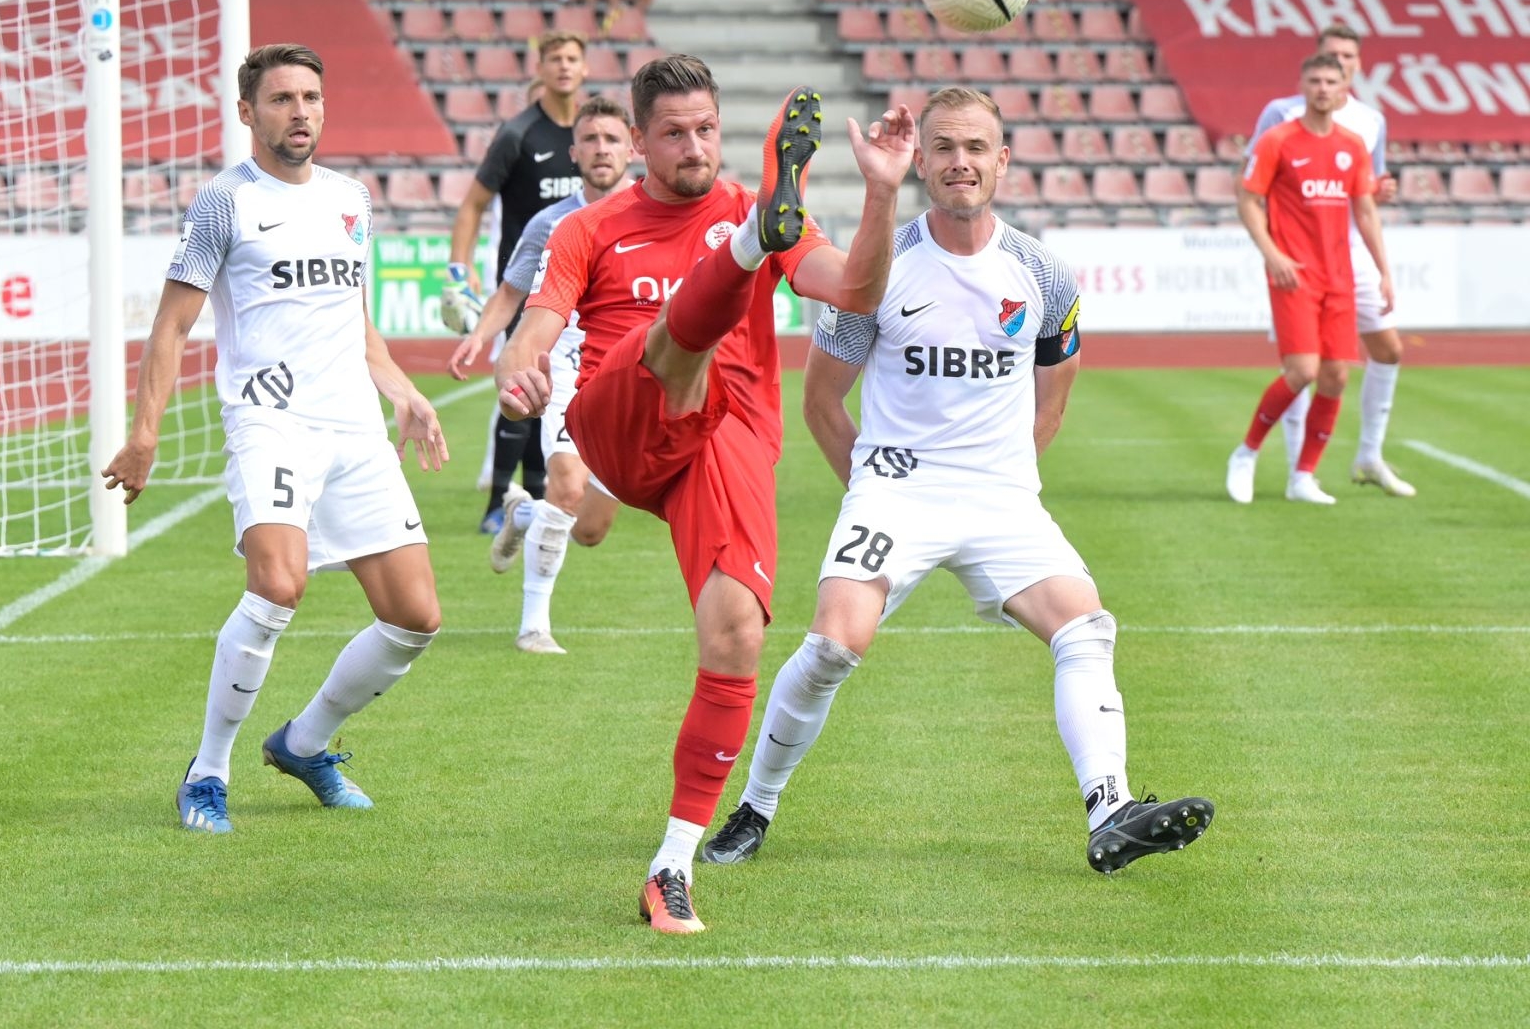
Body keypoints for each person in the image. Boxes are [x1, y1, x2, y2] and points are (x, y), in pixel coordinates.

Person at [701, 86, 1216, 877]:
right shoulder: (881, 268)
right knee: (834, 644)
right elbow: (822, 402)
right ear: (921, 162)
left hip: (999, 498)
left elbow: (1054, 394)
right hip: (895, 492)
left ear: (1002, 161)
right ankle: (755, 808)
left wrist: (1008, 477)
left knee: (1085, 628)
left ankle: (1110, 810)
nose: (960, 163)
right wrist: (871, 487)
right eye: (943, 148)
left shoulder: (1044, 274)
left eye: (976, 148)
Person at [495, 58, 911, 934]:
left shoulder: (761, 204)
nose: (694, 147)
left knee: (736, 636)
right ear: (636, 142)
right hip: (623, 415)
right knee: (673, 345)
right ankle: (742, 256)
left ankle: (671, 867)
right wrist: (519, 368)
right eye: (674, 133)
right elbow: (537, 328)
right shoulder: (590, 228)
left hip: (729, 437)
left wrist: (881, 193)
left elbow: (856, 289)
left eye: (707, 130)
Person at [101, 43, 447, 834]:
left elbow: (357, 326)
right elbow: (171, 326)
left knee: (415, 617)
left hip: (354, 428)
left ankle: (303, 744)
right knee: (278, 586)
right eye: (283, 98)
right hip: (271, 421)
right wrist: (144, 435)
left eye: (311, 98)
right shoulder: (224, 202)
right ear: (247, 112)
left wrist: (404, 392)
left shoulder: (351, 199)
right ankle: (207, 772)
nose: (300, 112)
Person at [447, 98, 635, 654]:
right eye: (590, 139)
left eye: (612, 139)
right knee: (569, 485)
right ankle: (534, 625)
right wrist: (479, 337)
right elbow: (511, 293)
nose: (601, 149)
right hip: (565, 367)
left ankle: (523, 512)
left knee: (590, 527)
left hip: (629, 375)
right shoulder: (550, 223)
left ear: (633, 148)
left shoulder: (657, 215)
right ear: (573, 152)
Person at [1246, 25, 1413, 497]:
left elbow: (1367, 191)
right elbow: (1253, 178)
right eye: (1331, 56)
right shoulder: (1281, 114)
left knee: (1387, 348)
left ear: (1356, 66)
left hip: (1351, 252)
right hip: (1299, 252)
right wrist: (1273, 248)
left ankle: (1369, 455)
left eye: (1346, 57)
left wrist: (1380, 192)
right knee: (1304, 364)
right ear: (1314, 63)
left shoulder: (1371, 121)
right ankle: (1298, 471)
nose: (1338, 63)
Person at [444, 32, 587, 531]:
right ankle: (498, 500)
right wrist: (458, 270)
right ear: (540, 67)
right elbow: (473, 205)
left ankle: (538, 495)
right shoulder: (518, 134)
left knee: (559, 391)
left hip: (580, 283)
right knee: (523, 387)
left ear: (585, 68)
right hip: (524, 284)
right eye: (555, 58)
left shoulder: (592, 136)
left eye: (572, 58)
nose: (564, 66)